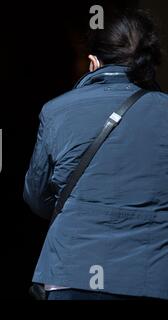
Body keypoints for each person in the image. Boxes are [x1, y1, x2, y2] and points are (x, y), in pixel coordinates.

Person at [24, 8, 167, 300]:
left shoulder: (56, 111)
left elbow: (36, 198)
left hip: (71, 274)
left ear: (92, 63)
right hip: (151, 277)